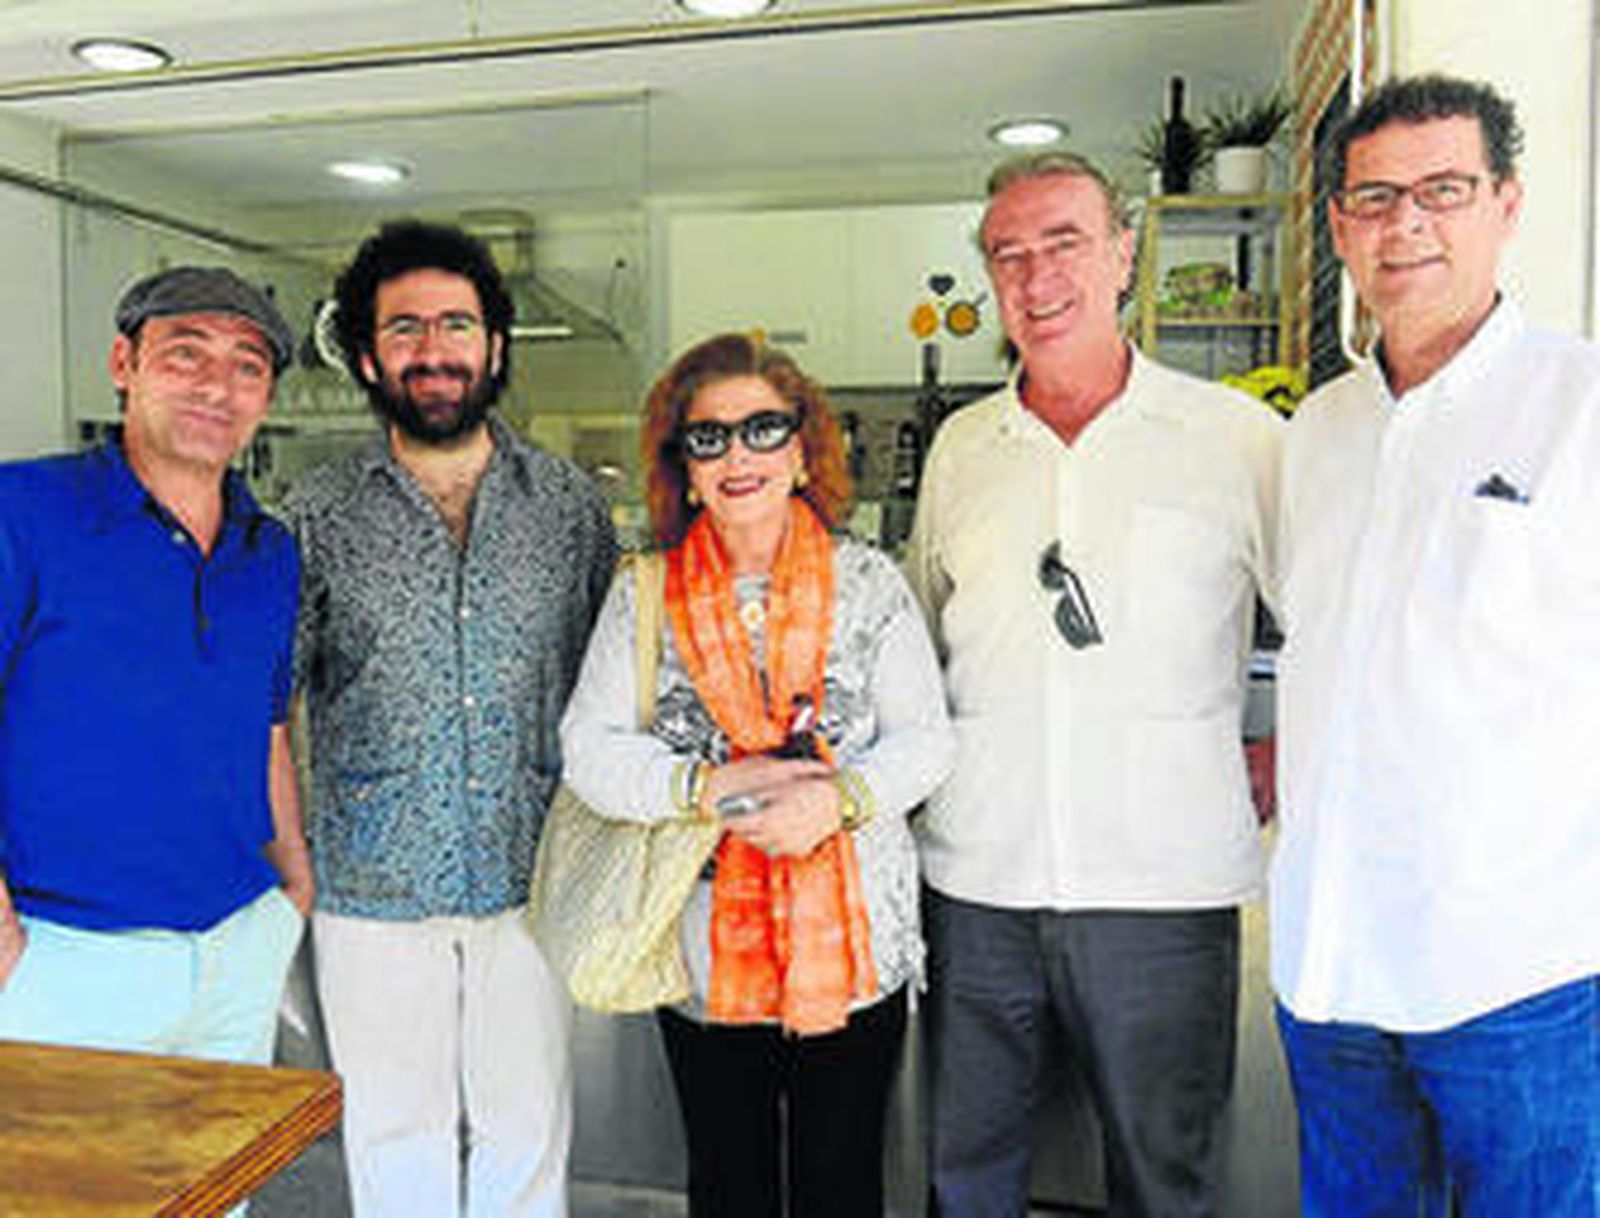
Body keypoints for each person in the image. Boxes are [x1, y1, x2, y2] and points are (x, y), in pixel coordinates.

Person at [906, 152, 1281, 1218]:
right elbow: (923, 637)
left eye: (1063, 242)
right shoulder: (962, 449)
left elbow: (1340, 615)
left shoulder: (1236, 439)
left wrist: (1290, 744)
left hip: (1161, 889)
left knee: (1163, 1183)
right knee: (963, 1180)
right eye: (1007, 254)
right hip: (978, 878)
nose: (1034, 276)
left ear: (1123, 255)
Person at [1272, 74, 1599, 1217]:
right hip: (1329, 966)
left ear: (1506, 203)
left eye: (1443, 189)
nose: (1404, 222)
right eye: (1373, 197)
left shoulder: (1582, 404)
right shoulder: (1316, 431)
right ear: (1338, 228)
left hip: (1516, 972)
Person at [560, 333, 954, 1218]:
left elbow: (926, 740)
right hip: (704, 956)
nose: (738, 455)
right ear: (684, 467)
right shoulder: (643, 594)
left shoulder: (870, 583)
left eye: (764, 430)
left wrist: (837, 802)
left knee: (842, 1182)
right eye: (709, 438)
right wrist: (710, 789)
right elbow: (589, 747)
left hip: (857, 954)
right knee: (729, 1183)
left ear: (804, 449)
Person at [287, 220, 616, 1218]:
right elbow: (271, 703)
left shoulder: (566, 504)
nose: (433, 350)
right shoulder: (315, 512)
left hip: (532, 874)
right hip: (371, 882)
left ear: (495, 346)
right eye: (405, 329)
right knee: (393, 1137)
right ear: (367, 353)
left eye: (456, 325)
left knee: (528, 1129)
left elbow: (614, 682)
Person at [0, 266, 309, 1064]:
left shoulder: (268, 550)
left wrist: (293, 888)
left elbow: (266, 728)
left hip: (238, 944)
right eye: (186, 354)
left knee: (218, 1192)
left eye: (248, 366)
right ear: (122, 364)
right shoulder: (22, 513)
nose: (218, 386)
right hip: (62, 955)